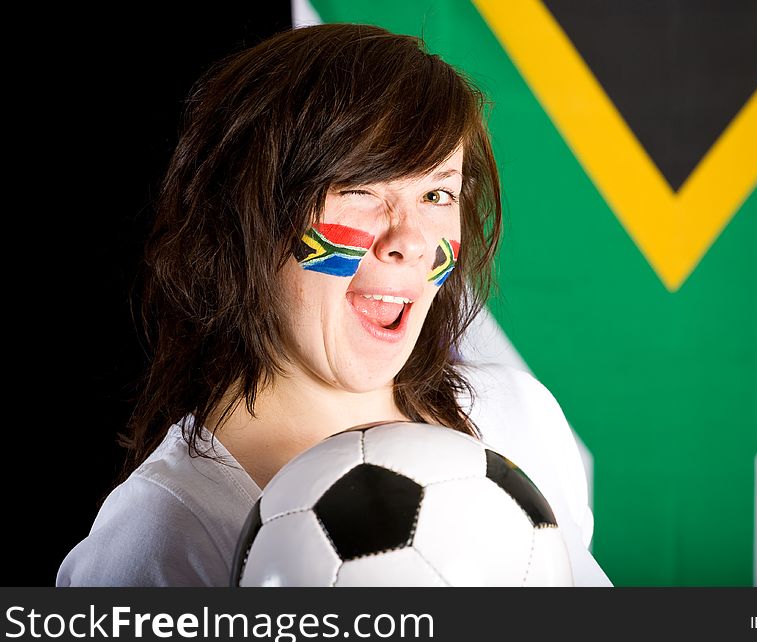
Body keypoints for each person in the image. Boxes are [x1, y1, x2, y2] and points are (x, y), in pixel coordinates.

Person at [56, 23, 611, 586]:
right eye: (360, 188)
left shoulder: (521, 418)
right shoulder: (160, 536)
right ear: (245, 217)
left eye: (437, 194)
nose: (411, 239)